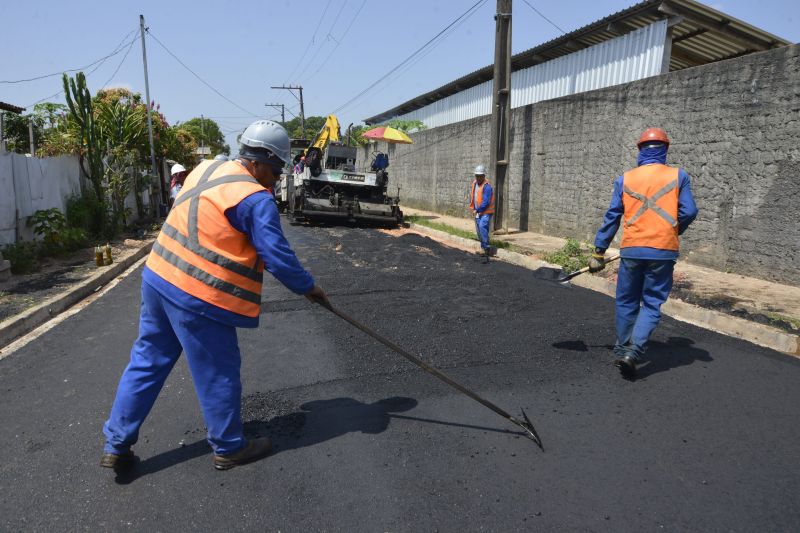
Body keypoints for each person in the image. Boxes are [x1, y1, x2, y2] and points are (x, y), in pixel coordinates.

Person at [101, 120, 329, 471]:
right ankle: (228, 446)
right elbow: (278, 258)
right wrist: (309, 288)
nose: (277, 176)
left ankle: (116, 443)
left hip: (159, 277)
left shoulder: (207, 167)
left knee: (147, 361)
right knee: (219, 371)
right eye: (275, 168)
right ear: (258, 161)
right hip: (198, 296)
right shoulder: (255, 199)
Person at [590, 128, 698, 378]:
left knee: (626, 300)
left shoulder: (625, 179)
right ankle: (634, 351)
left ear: (640, 150)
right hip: (663, 251)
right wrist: (672, 229)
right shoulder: (678, 176)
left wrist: (599, 251)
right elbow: (690, 211)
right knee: (651, 303)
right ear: (665, 149)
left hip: (632, 249)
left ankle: (622, 348)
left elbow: (612, 216)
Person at [468, 165, 495, 260]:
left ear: (484, 176)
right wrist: (474, 208)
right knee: (479, 231)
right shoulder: (474, 184)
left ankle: (487, 248)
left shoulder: (487, 187)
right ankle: (483, 247)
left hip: (486, 211)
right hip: (478, 212)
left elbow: (486, 202)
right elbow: (473, 196)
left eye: (480, 176)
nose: (478, 178)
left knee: (482, 226)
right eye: (477, 175)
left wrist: (478, 210)